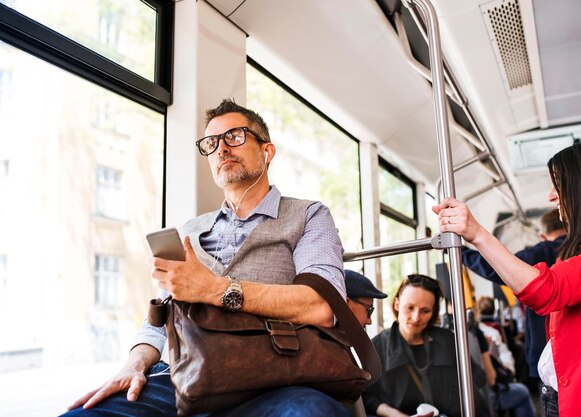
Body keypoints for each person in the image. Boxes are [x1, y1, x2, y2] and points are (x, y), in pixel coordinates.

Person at [61, 99, 351, 417]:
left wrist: (213, 288)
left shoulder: (309, 215)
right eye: (211, 143)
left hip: (274, 379)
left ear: (267, 152)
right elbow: (159, 322)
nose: (222, 148)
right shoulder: (188, 231)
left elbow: (322, 307)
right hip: (180, 382)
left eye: (235, 136)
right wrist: (134, 364)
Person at [433, 140, 581, 417]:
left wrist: (477, 234)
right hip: (563, 393)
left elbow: (546, 290)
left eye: (558, 185)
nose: (551, 196)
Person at [462, 209, 566, 389]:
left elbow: (497, 267)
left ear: (542, 236)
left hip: (546, 350)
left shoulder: (542, 252)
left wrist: (461, 252)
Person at [362, 274, 491, 417]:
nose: (416, 317)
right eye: (410, 307)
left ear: (433, 312)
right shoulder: (378, 346)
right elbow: (367, 398)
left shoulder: (447, 340)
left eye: (425, 311)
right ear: (397, 304)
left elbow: (477, 379)